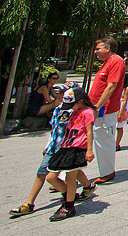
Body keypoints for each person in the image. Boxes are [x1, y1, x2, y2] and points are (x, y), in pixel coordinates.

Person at [9, 82, 77, 218]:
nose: (60, 95)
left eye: (63, 93)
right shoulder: (58, 109)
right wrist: (47, 145)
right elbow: (54, 129)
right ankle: (29, 203)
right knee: (41, 173)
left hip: (64, 150)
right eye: (59, 92)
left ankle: (69, 197)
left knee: (53, 177)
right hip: (53, 147)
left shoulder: (74, 112)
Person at [45, 86, 96, 221]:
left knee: (70, 178)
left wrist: (89, 150)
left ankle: (69, 206)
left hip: (77, 148)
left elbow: (89, 131)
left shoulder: (87, 112)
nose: (71, 107)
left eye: (72, 104)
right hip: (65, 147)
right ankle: (68, 194)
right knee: (51, 176)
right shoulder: (74, 112)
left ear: (80, 101)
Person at [87, 36, 124, 185]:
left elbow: (111, 86)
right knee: (93, 135)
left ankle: (108, 171)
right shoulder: (106, 63)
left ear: (108, 48)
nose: (96, 52)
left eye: (98, 49)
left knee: (104, 138)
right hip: (96, 107)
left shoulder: (116, 61)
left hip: (105, 108)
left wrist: (98, 106)